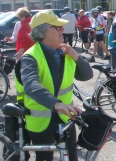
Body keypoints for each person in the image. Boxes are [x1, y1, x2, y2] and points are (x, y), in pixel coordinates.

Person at [14, 9, 93, 160]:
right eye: (57, 27)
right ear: (42, 32)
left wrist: (75, 55)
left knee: (71, 157)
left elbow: (86, 75)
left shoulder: (65, 51)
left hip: (65, 117)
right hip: (41, 121)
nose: (62, 29)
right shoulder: (30, 57)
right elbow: (31, 86)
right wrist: (56, 104)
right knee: (45, 158)